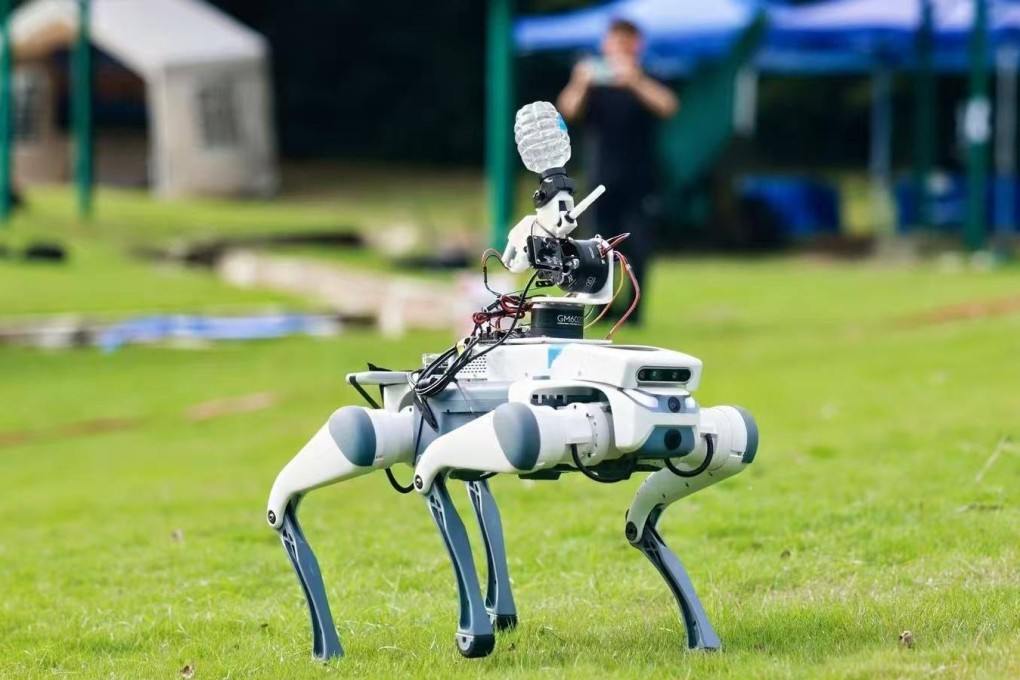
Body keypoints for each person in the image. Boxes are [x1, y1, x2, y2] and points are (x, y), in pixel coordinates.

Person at [557, 18, 678, 325]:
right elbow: (567, 111)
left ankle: (634, 311)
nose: (620, 49)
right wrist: (581, 82)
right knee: (598, 247)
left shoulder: (647, 78)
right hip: (601, 179)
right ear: (605, 45)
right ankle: (602, 307)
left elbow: (668, 106)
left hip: (641, 178)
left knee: (639, 246)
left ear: (637, 46)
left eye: (627, 43)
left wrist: (635, 81)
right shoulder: (594, 84)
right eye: (615, 43)